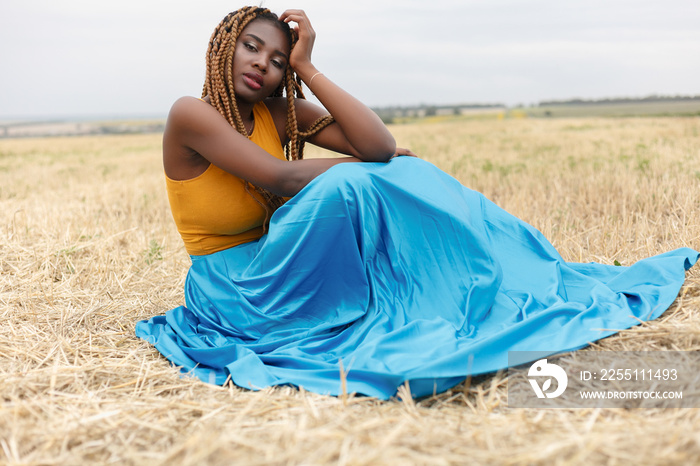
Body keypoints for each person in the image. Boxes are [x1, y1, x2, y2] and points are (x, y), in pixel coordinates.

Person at [136, 6, 698, 399]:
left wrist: (309, 69)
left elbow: (378, 146)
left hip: (276, 266)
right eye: (252, 47)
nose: (264, 63)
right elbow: (283, 178)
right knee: (347, 183)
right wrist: (359, 169)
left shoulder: (279, 111)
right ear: (222, 45)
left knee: (403, 167)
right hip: (234, 289)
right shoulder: (192, 113)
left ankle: (495, 270)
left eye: (279, 59)